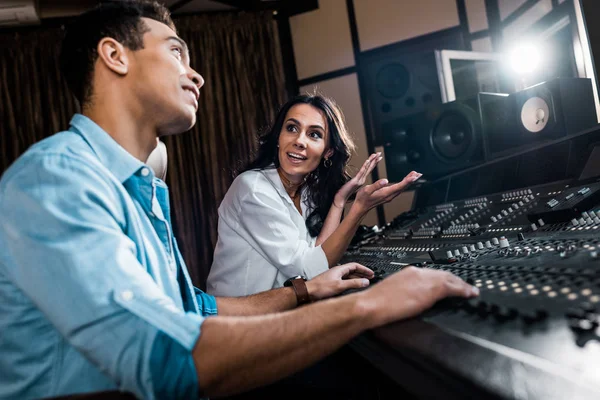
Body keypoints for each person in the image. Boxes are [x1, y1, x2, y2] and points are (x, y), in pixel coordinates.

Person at [0, 2, 479, 399]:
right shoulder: (57, 178)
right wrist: (368, 307)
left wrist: (305, 292)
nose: (198, 77)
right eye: (176, 53)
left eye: (315, 135)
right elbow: (167, 358)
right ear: (115, 56)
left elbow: (195, 308)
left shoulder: (139, 185)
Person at [207, 94, 422, 296]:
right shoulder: (253, 189)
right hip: (238, 324)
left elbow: (316, 257)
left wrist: (339, 202)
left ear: (327, 151)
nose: (300, 141)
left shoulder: (306, 189)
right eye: (291, 128)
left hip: (280, 314)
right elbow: (309, 270)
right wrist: (359, 209)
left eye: (314, 134)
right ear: (278, 138)